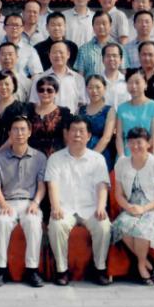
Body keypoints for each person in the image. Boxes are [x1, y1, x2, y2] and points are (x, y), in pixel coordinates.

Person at [46, 115, 113, 286]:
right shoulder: (55, 158)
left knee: (104, 225)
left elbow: (102, 185)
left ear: (89, 135)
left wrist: (101, 206)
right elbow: (52, 185)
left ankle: (100, 269)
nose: (77, 134)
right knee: (56, 225)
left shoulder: (97, 159)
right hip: (65, 208)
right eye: (73, 130)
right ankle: (61, 270)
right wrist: (55, 207)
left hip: (90, 208)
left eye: (81, 131)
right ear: (66, 134)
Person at [0, 116, 47, 287]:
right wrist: (3, 204)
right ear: (9, 133)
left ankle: (32, 270)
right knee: (1, 221)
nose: (19, 133)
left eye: (23, 129)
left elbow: (41, 186)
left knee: (33, 221)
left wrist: (36, 203)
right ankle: (0, 269)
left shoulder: (40, 157)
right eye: (15, 129)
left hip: (30, 201)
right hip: (7, 201)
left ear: (29, 132)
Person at [112, 127, 154, 285]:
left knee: (142, 229)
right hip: (132, 206)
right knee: (121, 224)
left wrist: (144, 209)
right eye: (131, 142)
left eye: (139, 142)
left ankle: (141, 265)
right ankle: (146, 262)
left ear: (148, 143)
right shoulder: (121, 163)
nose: (135, 146)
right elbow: (118, 194)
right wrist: (128, 207)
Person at [115, 71, 154, 157]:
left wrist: (151, 158)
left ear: (145, 85)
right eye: (130, 82)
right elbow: (119, 136)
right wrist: (122, 157)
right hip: (126, 155)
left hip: (146, 155)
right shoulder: (121, 108)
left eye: (137, 82)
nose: (133, 86)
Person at [0, 70, 32, 154]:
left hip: (11, 154)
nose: (3, 87)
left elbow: (16, 135)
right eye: (0, 84)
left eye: (7, 84)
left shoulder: (21, 108)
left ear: (14, 86)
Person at [79, 75, 117, 169]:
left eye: (98, 87)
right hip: (80, 155)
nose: (94, 91)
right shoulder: (80, 110)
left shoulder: (110, 110)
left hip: (100, 155)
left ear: (105, 88)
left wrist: (91, 157)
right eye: (90, 88)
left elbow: (107, 137)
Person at [27, 75, 71, 157]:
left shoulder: (63, 112)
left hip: (55, 157)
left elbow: (67, 139)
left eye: (49, 90)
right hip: (31, 157)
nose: (45, 93)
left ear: (56, 92)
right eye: (41, 90)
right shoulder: (30, 110)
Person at [74, 11, 125, 78]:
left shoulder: (120, 48)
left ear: (110, 25)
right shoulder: (83, 49)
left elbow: (123, 73)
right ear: (93, 26)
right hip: (91, 84)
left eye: (104, 23)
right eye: (97, 24)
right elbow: (80, 76)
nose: (101, 26)